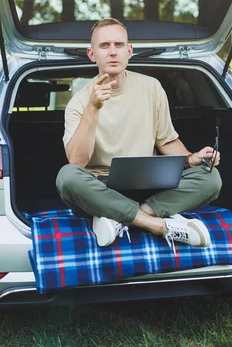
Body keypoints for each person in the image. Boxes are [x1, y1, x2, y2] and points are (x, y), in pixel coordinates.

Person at [56, 18, 222, 251]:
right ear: (92, 54)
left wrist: (191, 158)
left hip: (149, 185)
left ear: (129, 51)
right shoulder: (79, 102)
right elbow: (77, 161)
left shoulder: (151, 87)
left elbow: (166, 140)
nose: (112, 52)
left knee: (211, 178)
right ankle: (156, 225)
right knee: (67, 177)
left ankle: (123, 218)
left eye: (119, 45)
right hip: (100, 190)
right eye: (104, 46)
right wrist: (93, 107)